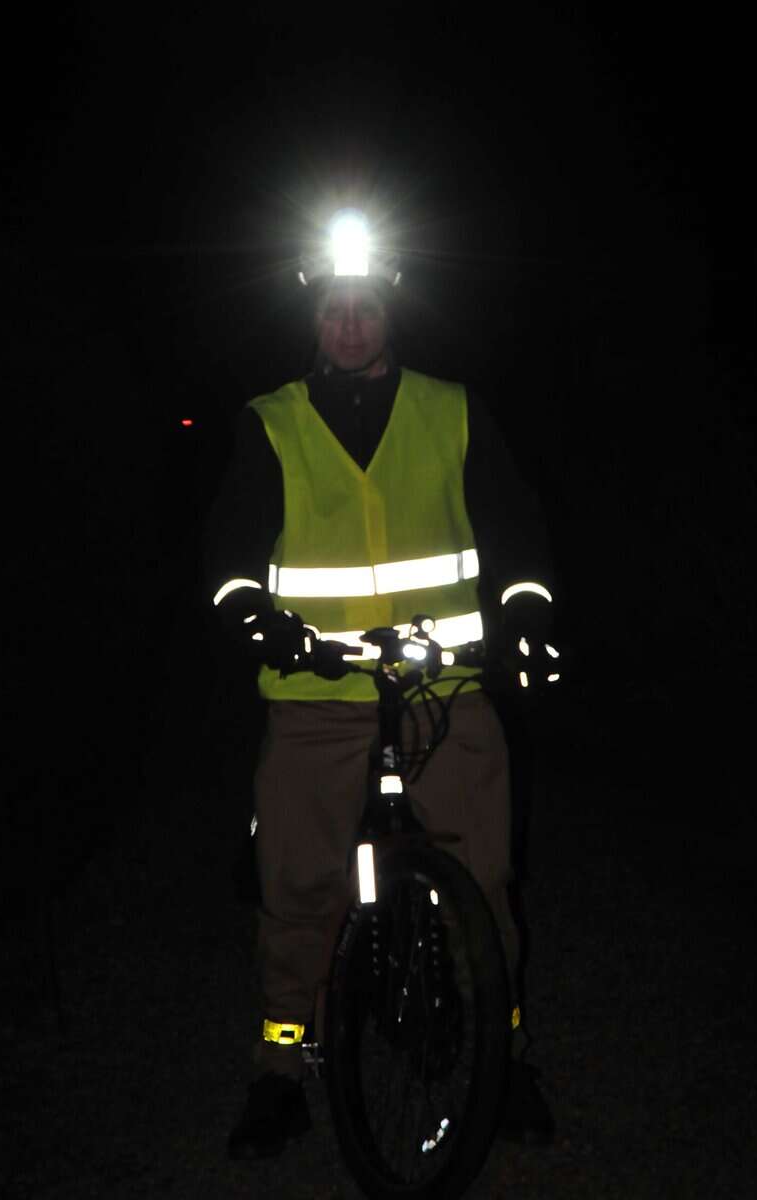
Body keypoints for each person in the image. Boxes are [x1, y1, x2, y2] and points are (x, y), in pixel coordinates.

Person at [203, 210, 559, 1159]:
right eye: (335, 308)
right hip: (313, 693)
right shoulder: (271, 421)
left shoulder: (453, 409)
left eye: (365, 306)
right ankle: (282, 1069)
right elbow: (231, 555)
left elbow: (515, 531)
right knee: (298, 887)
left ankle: (506, 1057)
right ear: (314, 315)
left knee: (482, 880)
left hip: (445, 685)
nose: (351, 324)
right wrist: (255, 616)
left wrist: (526, 615)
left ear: (390, 312)